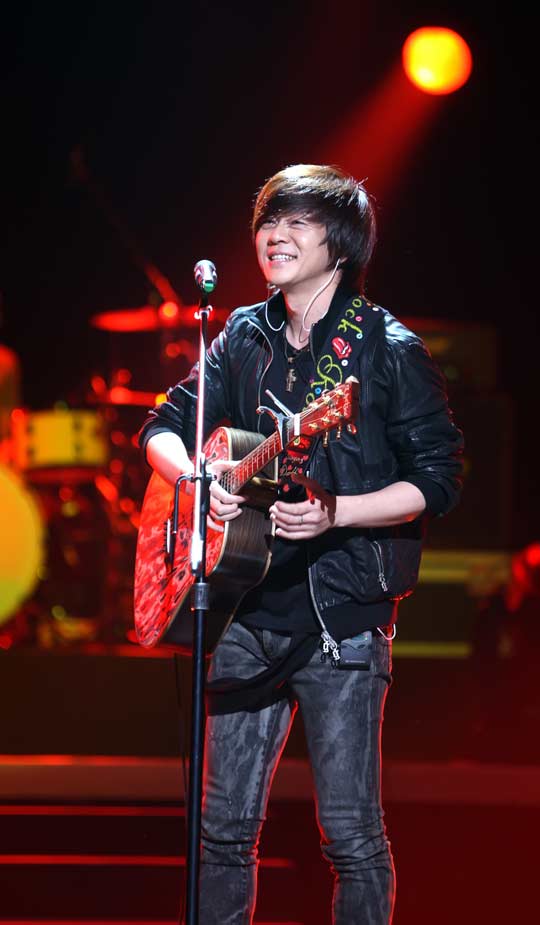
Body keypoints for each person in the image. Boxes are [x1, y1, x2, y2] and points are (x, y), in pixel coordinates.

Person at [138, 164, 464, 924]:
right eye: (268, 221)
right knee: (222, 833)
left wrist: (338, 511)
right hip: (245, 608)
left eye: (297, 222)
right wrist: (197, 481)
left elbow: (439, 479)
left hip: (340, 620)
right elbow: (163, 425)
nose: (275, 235)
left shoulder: (386, 348)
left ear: (341, 244)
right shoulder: (241, 334)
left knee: (351, 837)